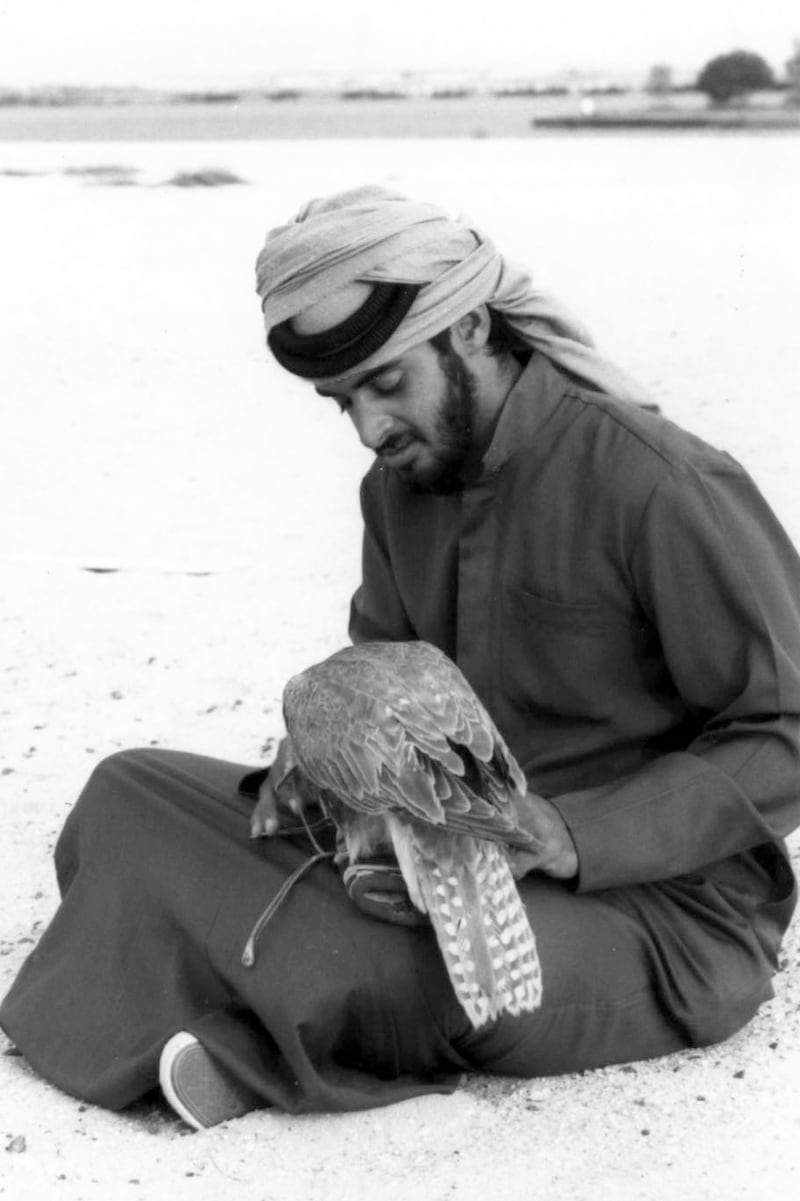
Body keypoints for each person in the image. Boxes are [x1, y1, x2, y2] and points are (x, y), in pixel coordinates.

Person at [2, 185, 799, 1131]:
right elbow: (380, 680)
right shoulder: (398, 492)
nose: (372, 429)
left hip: (651, 913)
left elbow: (784, 729)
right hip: (438, 859)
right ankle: (260, 1015)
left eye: (387, 383)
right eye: (342, 402)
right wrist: (337, 787)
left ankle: (244, 1041)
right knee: (127, 796)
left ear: (466, 327)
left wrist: (565, 832)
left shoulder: (659, 483)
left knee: (397, 956)